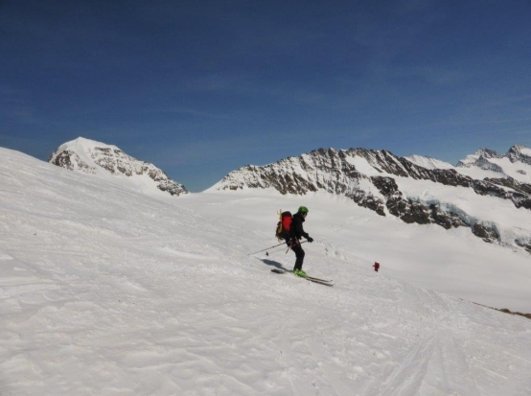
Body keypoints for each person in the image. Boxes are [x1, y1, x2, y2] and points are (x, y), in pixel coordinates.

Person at [288, 206, 314, 277]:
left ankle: (297, 269)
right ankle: (297, 270)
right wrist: (307, 237)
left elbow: (297, 230)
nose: (306, 215)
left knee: (300, 253)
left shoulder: (296, 218)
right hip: (292, 239)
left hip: (292, 239)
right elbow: (300, 231)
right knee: (301, 253)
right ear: (302, 213)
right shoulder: (297, 219)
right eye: (306, 214)